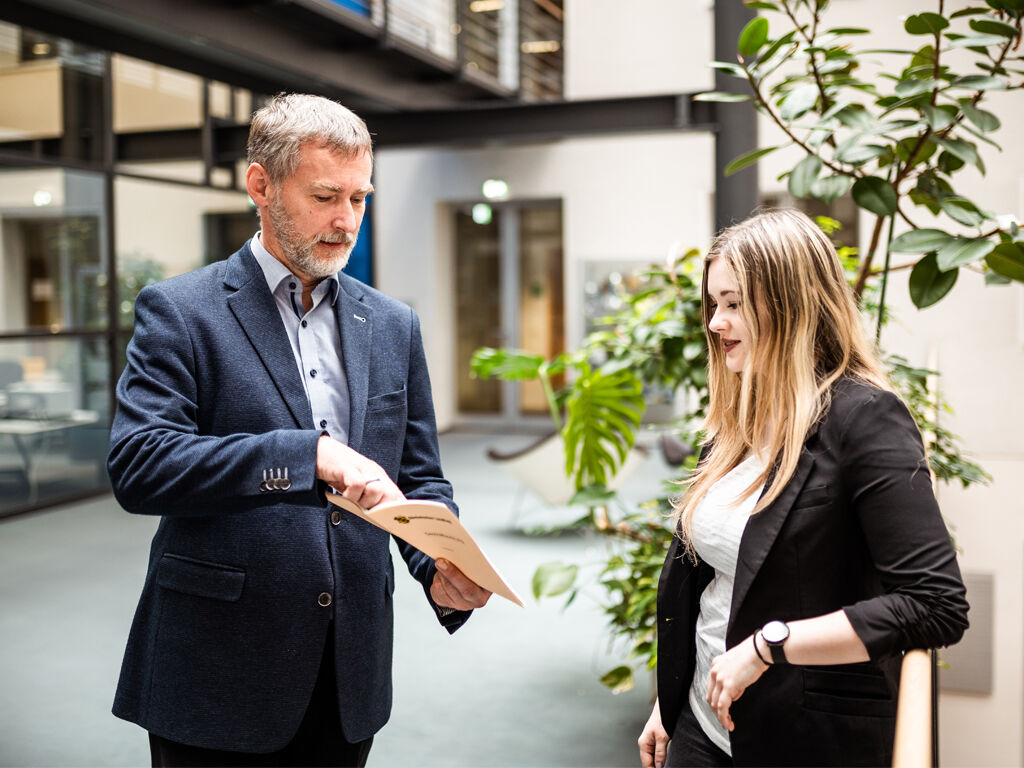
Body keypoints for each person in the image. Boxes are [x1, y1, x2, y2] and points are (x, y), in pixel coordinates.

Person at [108, 93, 491, 767]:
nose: (347, 222)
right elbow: (141, 465)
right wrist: (305, 456)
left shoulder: (393, 324)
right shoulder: (180, 311)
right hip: (219, 670)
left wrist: (437, 562)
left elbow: (416, 474)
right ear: (261, 185)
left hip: (349, 670)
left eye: (360, 198)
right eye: (324, 196)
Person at [637, 209, 969, 768]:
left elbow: (935, 605)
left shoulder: (865, 419)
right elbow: (708, 581)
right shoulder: (736, 416)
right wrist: (668, 700)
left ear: (792, 305)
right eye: (714, 304)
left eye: (735, 303)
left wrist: (770, 645)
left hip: (798, 734)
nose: (716, 323)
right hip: (701, 723)